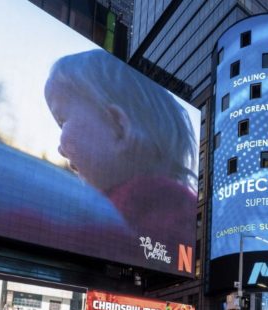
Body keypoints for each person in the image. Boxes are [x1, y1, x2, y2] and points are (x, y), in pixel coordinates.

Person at [45, 51, 197, 241]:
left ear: (118, 128)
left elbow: (94, 239)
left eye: (62, 122)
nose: (60, 150)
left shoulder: (165, 203)